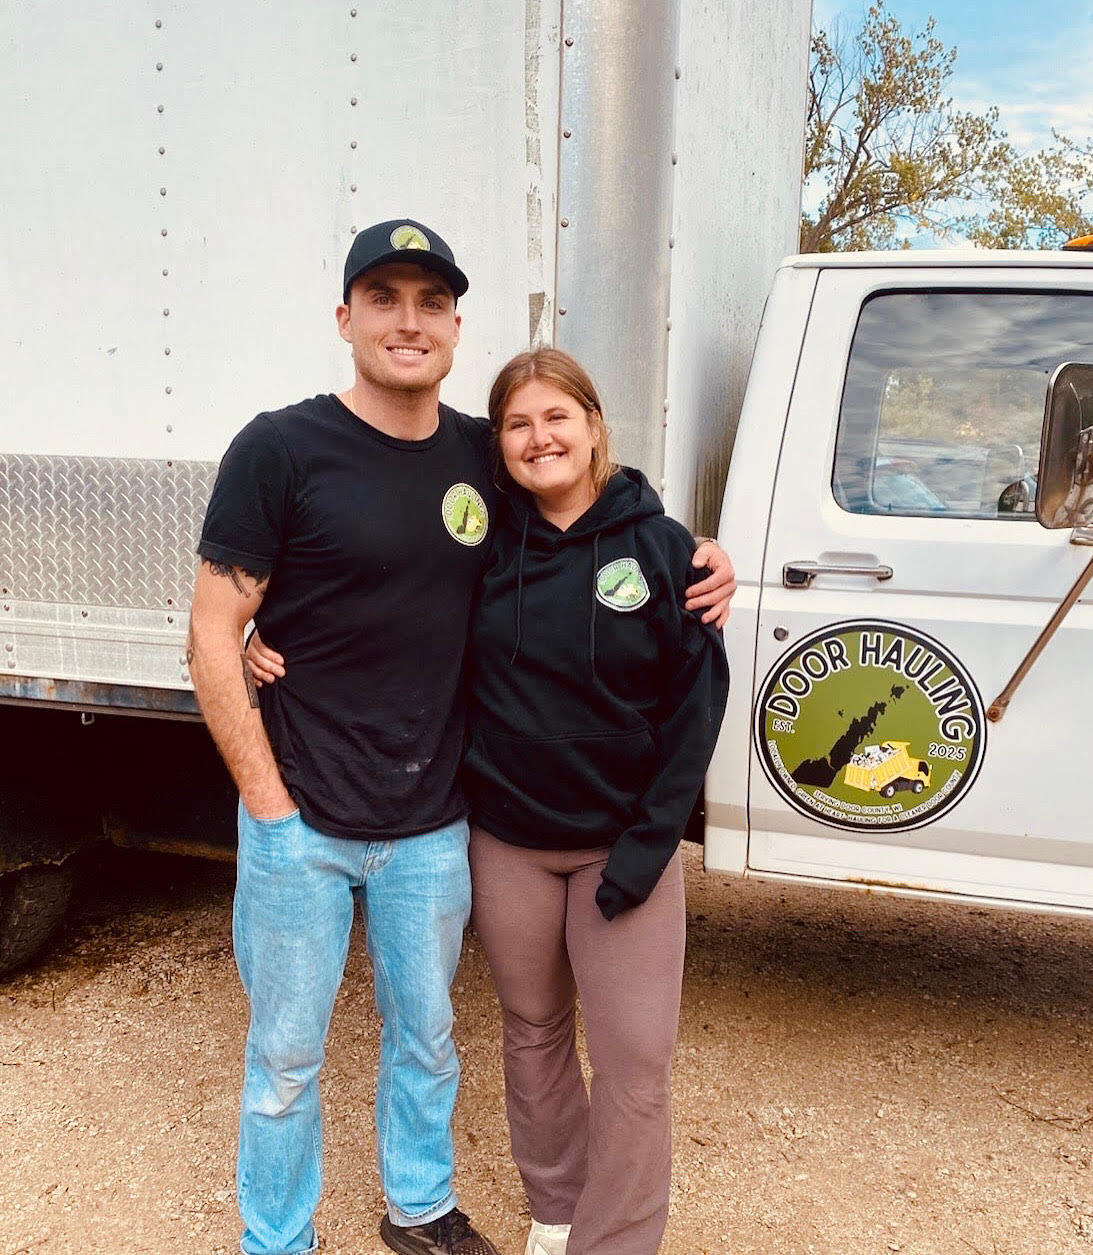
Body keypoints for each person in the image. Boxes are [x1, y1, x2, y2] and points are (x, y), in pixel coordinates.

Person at [189, 219, 735, 1255]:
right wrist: (266, 793)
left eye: (430, 302)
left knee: (429, 1041)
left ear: (453, 325)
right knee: (288, 1059)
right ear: (345, 318)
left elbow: (593, 496)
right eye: (384, 299)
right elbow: (213, 629)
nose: (408, 321)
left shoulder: (480, 458)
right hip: (300, 813)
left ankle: (422, 1206)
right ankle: (276, 1239)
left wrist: (694, 552)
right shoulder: (282, 446)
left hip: (436, 821)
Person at [464, 350, 729, 1255]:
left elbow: (696, 711)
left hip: (625, 848)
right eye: (518, 423)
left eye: (556, 417)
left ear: (592, 421)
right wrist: (268, 627)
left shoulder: (663, 548)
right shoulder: (485, 541)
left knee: (634, 1062)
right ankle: (559, 1210)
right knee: (534, 1029)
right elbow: (382, 602)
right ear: (498, 443)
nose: (540, 438)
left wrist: (646, 852)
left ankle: (615, 1242)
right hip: (512, 842)